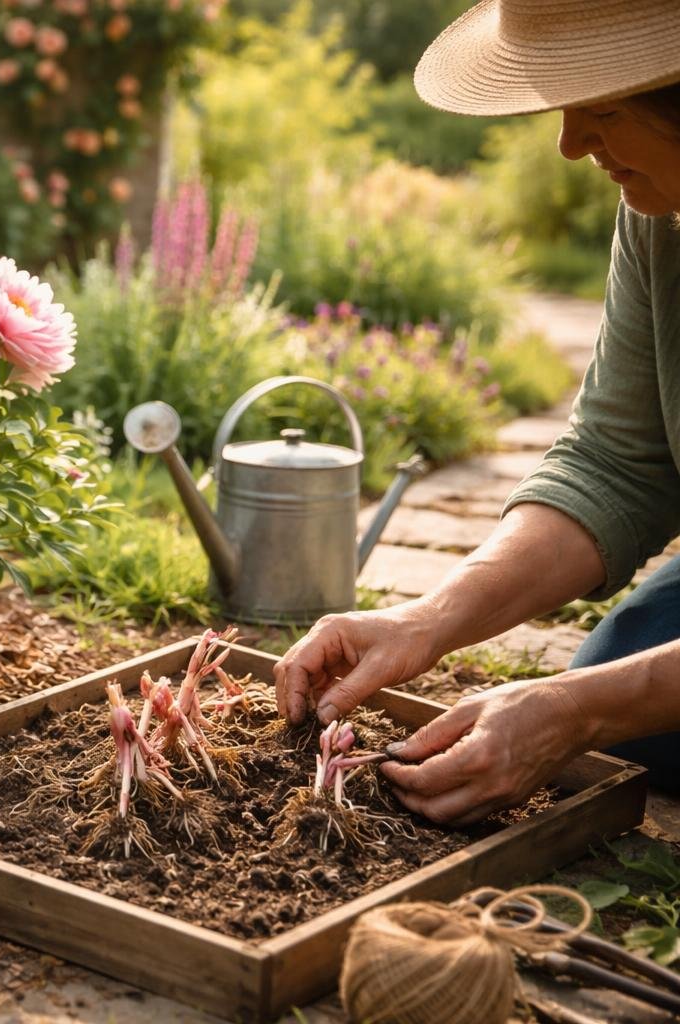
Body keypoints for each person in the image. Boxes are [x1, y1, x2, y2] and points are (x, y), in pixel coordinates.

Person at [274, 0, 680, 825]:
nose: (570, 144)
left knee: (607, 707)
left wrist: (579, 709)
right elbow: (616, 462)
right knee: (627, 706)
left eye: (603, 108)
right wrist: (423, 622)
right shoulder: (660, 213)